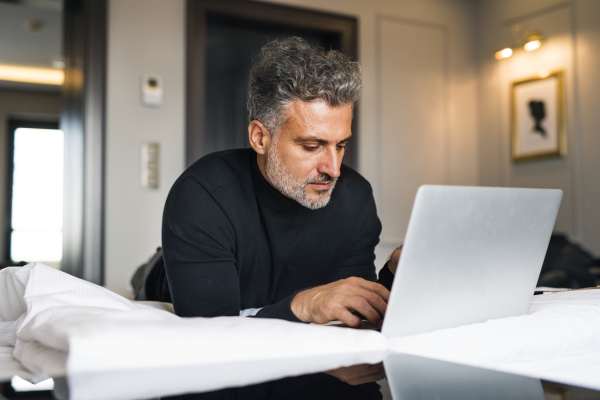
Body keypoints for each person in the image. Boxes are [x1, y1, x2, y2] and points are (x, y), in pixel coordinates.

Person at [149, 37, 401, 330]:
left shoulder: (355, 197)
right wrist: (302, 305)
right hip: (168, 274)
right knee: (154, 271)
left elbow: (349, 313)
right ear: (260, 138)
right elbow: (212, 335)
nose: (334, 170)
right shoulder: (202, 196)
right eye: (311, 146)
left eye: (341, 145)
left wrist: (394, 274)